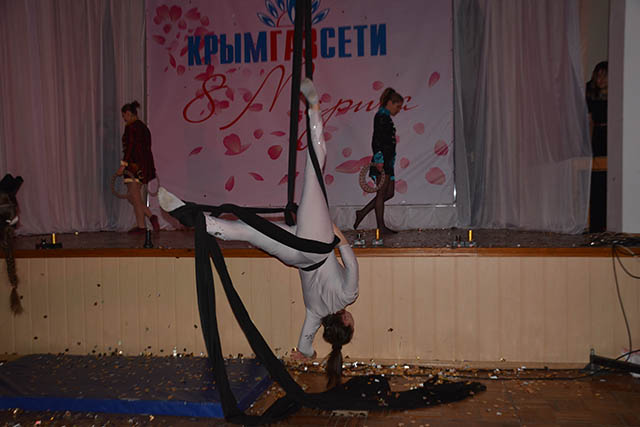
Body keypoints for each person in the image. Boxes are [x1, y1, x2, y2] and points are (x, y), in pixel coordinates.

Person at [158, 78, 359, 389]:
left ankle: (314, 108)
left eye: (351, 322)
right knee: (248, 231)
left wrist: (332, 229)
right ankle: (193, 217)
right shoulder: (315, 313)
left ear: (345, 320)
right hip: (295, 254)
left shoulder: (349, 295)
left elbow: (347, 254)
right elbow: (304, 346)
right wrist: (308, 354)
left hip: (315, 243)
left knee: (315, 168)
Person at [353, 87, 404, 234]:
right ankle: (380, 226)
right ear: (390, 103)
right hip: (381, 161)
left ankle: (362, 212)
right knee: (381, 194)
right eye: (397, 106)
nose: (399, 110)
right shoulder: (381, 117)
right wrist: (379, 160)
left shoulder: (385, 117)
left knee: (389, 193)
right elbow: (377, 140)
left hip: (388, 161)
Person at [117, 101, 160, 233]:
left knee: (134, 197)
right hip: (144, 166)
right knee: (134, 197)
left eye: (124, 116)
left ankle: (150, 217)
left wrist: (123, 165)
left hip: (133, 166)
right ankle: (142, 225)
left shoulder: (131, 127)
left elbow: (130, 147)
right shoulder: (144, 128)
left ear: (128, 113)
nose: (124, 119)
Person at [585, 61, 607, 232]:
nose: (600, 80)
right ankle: (596, 227)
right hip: (598, 137)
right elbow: (591, 121)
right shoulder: (591, 94)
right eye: (598, 76)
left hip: (612, 136)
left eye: (604, 76)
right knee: (596, 183)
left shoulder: (618, 94)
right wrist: (588, 144)